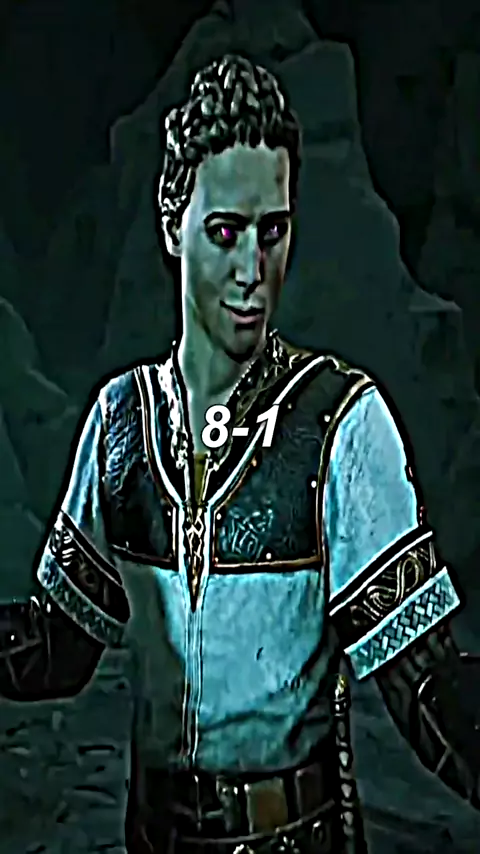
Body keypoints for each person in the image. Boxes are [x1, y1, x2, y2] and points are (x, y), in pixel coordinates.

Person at [1, 54, 480, 854]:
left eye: (273, 232)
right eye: (225, 233)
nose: (253, 271)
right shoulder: (121, 423)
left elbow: (428, 690)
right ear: (172, 226)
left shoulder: (340, 425)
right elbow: (57, 650)